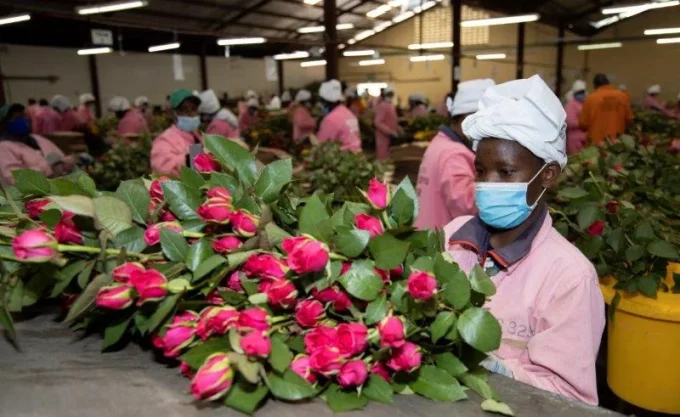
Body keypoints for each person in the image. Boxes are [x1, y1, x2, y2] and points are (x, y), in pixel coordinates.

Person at [444, 75, 605, 406]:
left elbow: (571, 399)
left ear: (547, 174)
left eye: (505, 172)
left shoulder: (569, 278)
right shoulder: (453, 238)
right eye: (481, 170)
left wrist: (495, 369)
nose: (488, 184)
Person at [415, 79, 495, 230]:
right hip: (440, 240)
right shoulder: (454, 154)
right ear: (466, 118)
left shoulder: (441, 143)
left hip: (427, 231)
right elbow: (465, 205)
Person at [0, 103, 74, 185]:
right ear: (4, 124)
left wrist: (70, 162)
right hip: (33, 195)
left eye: (23, 116)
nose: (22, 120)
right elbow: (14, 180)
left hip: (57, 187)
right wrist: (45, 166)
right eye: (16, 118)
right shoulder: (3, 147)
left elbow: (61, 158)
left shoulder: (36, 138)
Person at [150, 89, 202, 177]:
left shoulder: (197, 136)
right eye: (185, 110)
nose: (191, 114)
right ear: (172, 113)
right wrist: (189, 159)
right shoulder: (164, 140)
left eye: (193, 109)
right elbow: (162, 169)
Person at [579, 74, 633, 146]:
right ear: (608, 83)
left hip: (596, 146)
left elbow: (583, 125)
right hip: (618, 145)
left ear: (595, 86)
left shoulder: (590, 99)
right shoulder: (623, 97)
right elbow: (629, 120)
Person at [316, 79, 361, 153]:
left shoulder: (330, 119)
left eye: (321, 101)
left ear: (326, 101)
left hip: (343, 157)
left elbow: (321, 145)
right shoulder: (348, 113)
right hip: (356, 155)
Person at [374, 87, 400, 160]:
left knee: (389, 156)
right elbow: (377, 122)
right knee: (383, 157)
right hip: (383, 136)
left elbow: (393, 119)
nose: (390, 96)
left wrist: (397, 128)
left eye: (391, 95)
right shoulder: (382, 105)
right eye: (389, 94)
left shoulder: (391, 105)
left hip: (390, 136)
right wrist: (389, 131)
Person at [564, 80, 588, 154]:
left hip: (585, 138)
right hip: (574, 139)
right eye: (579, 93)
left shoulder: (585, 104)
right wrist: (584, 123)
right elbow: (570, 122)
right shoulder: (570, 105)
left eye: (582, 92)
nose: (581, 94)